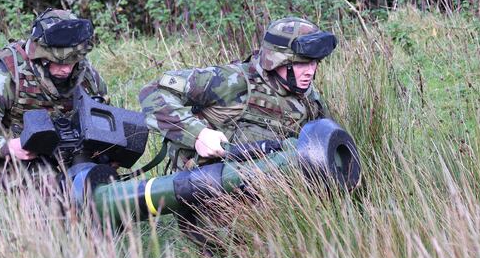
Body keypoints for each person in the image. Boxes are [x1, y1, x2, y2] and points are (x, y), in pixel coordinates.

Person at [139, 16, 336, 172]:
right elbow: (153, 91)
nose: (310, 70)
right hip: (207, 190)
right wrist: (198, 134)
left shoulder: (309, 98)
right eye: (301, 63)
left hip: (270, 192)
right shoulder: (231, 81)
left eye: (314, 62)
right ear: (277, 60)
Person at [0, 8, 108, 187]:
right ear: (41, 56)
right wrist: (9, 147)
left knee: (103, 182)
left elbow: (105, 124)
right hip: (13, 155)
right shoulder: (3, 76)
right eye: (59, 62)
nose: (67, 69)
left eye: (73, 60)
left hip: (68, 152)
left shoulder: (86, 75)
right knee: (52, 192)